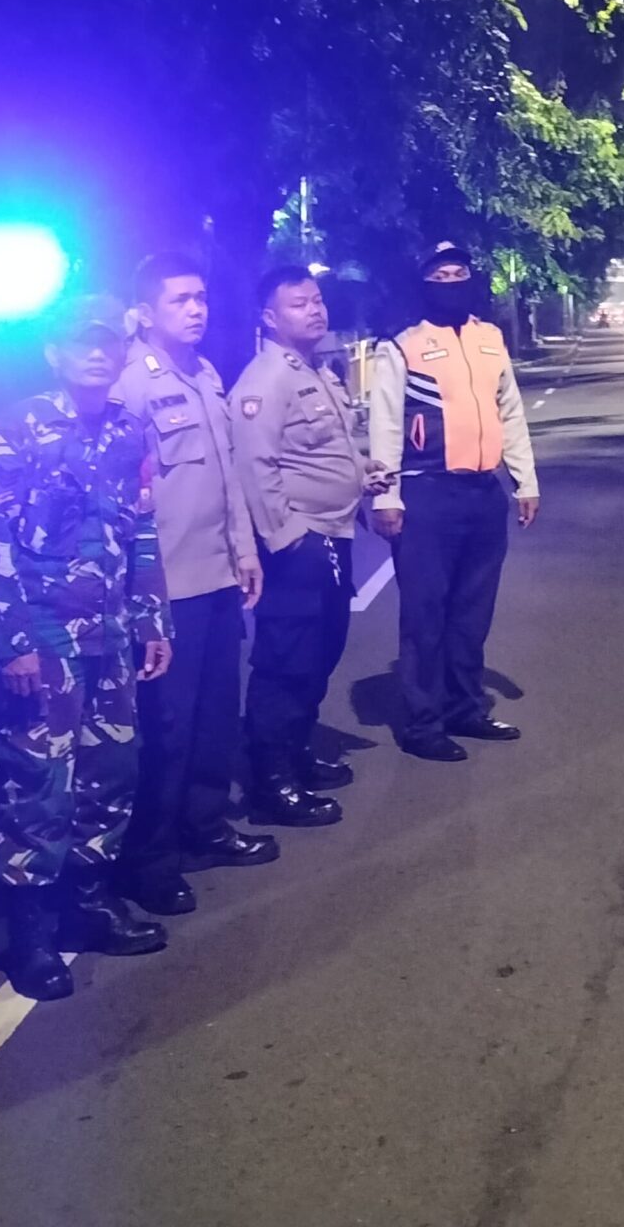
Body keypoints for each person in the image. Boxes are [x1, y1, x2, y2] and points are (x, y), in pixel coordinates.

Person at [0, 295, 174, 999]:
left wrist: (153, 619)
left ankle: (90, 907)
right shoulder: (17, 428)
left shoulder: (128, 430)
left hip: (111, 635)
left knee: (112, 771)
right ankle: (29, 937)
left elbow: (141, 530)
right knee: (39, 783)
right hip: (46, 639)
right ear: (53, 353)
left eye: (107, 342)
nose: (97, 353)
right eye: (82, 342)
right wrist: (14, 643)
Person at [112, 251, 274, 916]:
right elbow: (125, 502)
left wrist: (245, 551)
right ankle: (150, 860)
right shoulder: (130, 386)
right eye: (180, 299)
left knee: (213, 718)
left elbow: (228, 478)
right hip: (166, 588)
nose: (196, 309)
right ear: (146, 312)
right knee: (167, 729)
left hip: (216, 575)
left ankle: (206, 826)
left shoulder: (206, 376)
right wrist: (140, 591)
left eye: (201, 297)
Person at [366, 242, 540, 761]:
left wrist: (525, 482)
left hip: (483, 494)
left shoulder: (490, 339)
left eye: (458, 273)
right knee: (426, 614)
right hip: (426, 493)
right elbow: (385, 422)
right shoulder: (402, 345)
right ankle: (423, 725)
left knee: (471, 612)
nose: (450, 283)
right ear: (424, 284)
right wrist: (387, 496)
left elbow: (510, 411)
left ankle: (466, 709)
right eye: (440, 276)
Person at [227, 265, 365, 827]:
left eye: (317, 300)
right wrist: (287, 539)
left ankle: (297, 751)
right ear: (270, 317)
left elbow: (327, 451)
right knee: (285, 662)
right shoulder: (266, 380)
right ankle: (271, 782)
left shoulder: (317, 371)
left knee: (320, 654)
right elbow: (254, 466)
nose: (315, 310)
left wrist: (364, 474)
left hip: (333, 533)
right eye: (299, 304)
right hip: (299, 543)